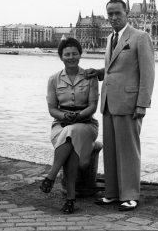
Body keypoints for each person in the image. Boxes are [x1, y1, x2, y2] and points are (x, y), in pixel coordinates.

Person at [88, 0, 155, 211]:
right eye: (110, 14)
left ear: (127, 14)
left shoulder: (140, 37)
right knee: (111, 151)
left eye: (117, 13)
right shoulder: (110, 38)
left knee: (128, 151)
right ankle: (112, 193)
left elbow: (148, 74)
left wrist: (142, 104)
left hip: (129, 103)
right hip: (108, 102)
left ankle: (130, 195)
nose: (114, 18)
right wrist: (98, 73)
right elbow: (113, 68)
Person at [40, 37, 99, 214]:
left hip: (87, 124)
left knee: (71, 131)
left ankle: (51, 176)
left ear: (80, 55)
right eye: (67, 54)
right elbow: (52, 109)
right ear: (61, 57)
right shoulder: (53, 79)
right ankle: (70, 199)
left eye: (74, 53)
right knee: (70, 141)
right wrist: (65, 116)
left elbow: (93, 106)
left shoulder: (91, 77)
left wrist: (78, 116)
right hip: (60, 124)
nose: (71, 57)